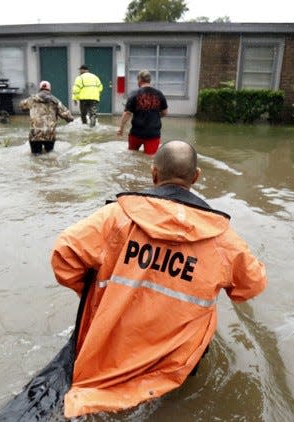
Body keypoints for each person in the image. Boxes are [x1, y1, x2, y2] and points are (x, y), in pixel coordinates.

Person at [50, 140, 267, 418]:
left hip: (110, 354)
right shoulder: (222, 239)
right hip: (174, 367)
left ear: (154, 174)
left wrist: (96, 295)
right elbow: (253, 284)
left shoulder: (116, 217)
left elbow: (63, 254)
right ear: (196, 177)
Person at [116, 70, 168, 155]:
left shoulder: (134, 94)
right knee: (150, 158)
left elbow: (127, 113)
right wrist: (155, 116)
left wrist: (121, 128)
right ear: (149, 80)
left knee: (131, 156)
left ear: (139, 80)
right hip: (153, 134)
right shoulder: (159, 94)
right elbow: (165, 112)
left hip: (136, 133)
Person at [20, 80, 74, 154]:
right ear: (49, 89)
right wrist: (70, 119)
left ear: (40, 88)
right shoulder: (55, 101)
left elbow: (22, 107)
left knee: (35, 157)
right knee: (49, 156)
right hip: (50, 134)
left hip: (35, 134)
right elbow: (68, 116)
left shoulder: (31, 99)